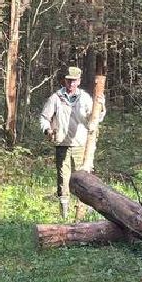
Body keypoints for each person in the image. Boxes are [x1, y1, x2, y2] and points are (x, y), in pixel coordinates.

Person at [38, 65, 104, 221]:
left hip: (81, 144)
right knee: (63, 178)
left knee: (84, 178)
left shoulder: (85, 98)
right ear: (65, 81)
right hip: (62, 144)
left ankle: (84, 211)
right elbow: (44, 118)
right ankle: (64, 215)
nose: (71, 84)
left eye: (74, 81)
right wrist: (47, 130)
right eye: (68, 81)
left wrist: (100, 106)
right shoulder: (56, 98)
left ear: (79, 81)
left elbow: (95, 118)